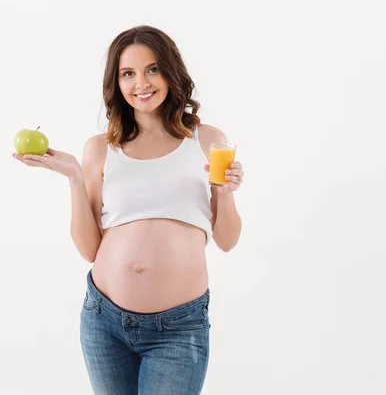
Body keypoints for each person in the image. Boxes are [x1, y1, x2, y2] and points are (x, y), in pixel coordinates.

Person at [13, 25, 243, 395]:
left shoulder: (207, 139)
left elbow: (228, 240)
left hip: (179, 329)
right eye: (128, 73)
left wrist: (226, 192)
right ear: (116, 83)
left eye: (153, 69)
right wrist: (74, 177)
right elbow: (89, 249)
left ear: (171, 71)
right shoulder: (101, 148)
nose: (142, 83)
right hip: (104, 322)